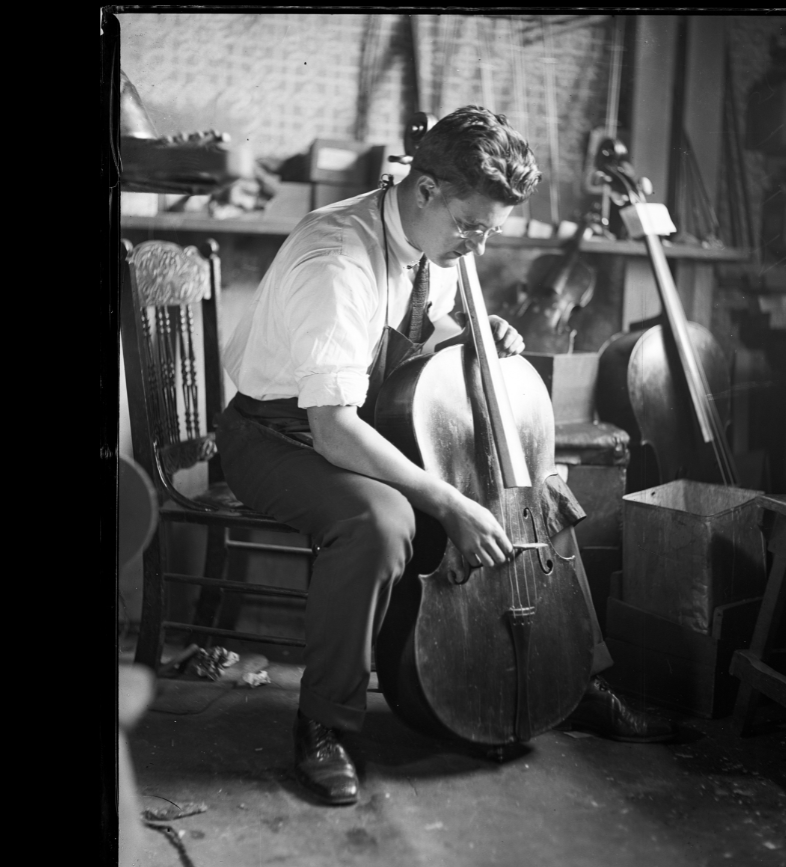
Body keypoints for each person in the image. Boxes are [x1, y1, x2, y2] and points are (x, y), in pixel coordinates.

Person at [218, 106, 674, 806]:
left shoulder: (436, 242)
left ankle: (574, 676)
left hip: (352, 422)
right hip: (276, 436)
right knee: (384, 520)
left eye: (490, 231)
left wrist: (473, 329)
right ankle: (324, 726)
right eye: (470, 226)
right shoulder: (336, 259)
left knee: (538, 491)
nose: (478, 249)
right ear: (424, 188)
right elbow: (334, 430)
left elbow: (410, 328)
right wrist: (448, 502)